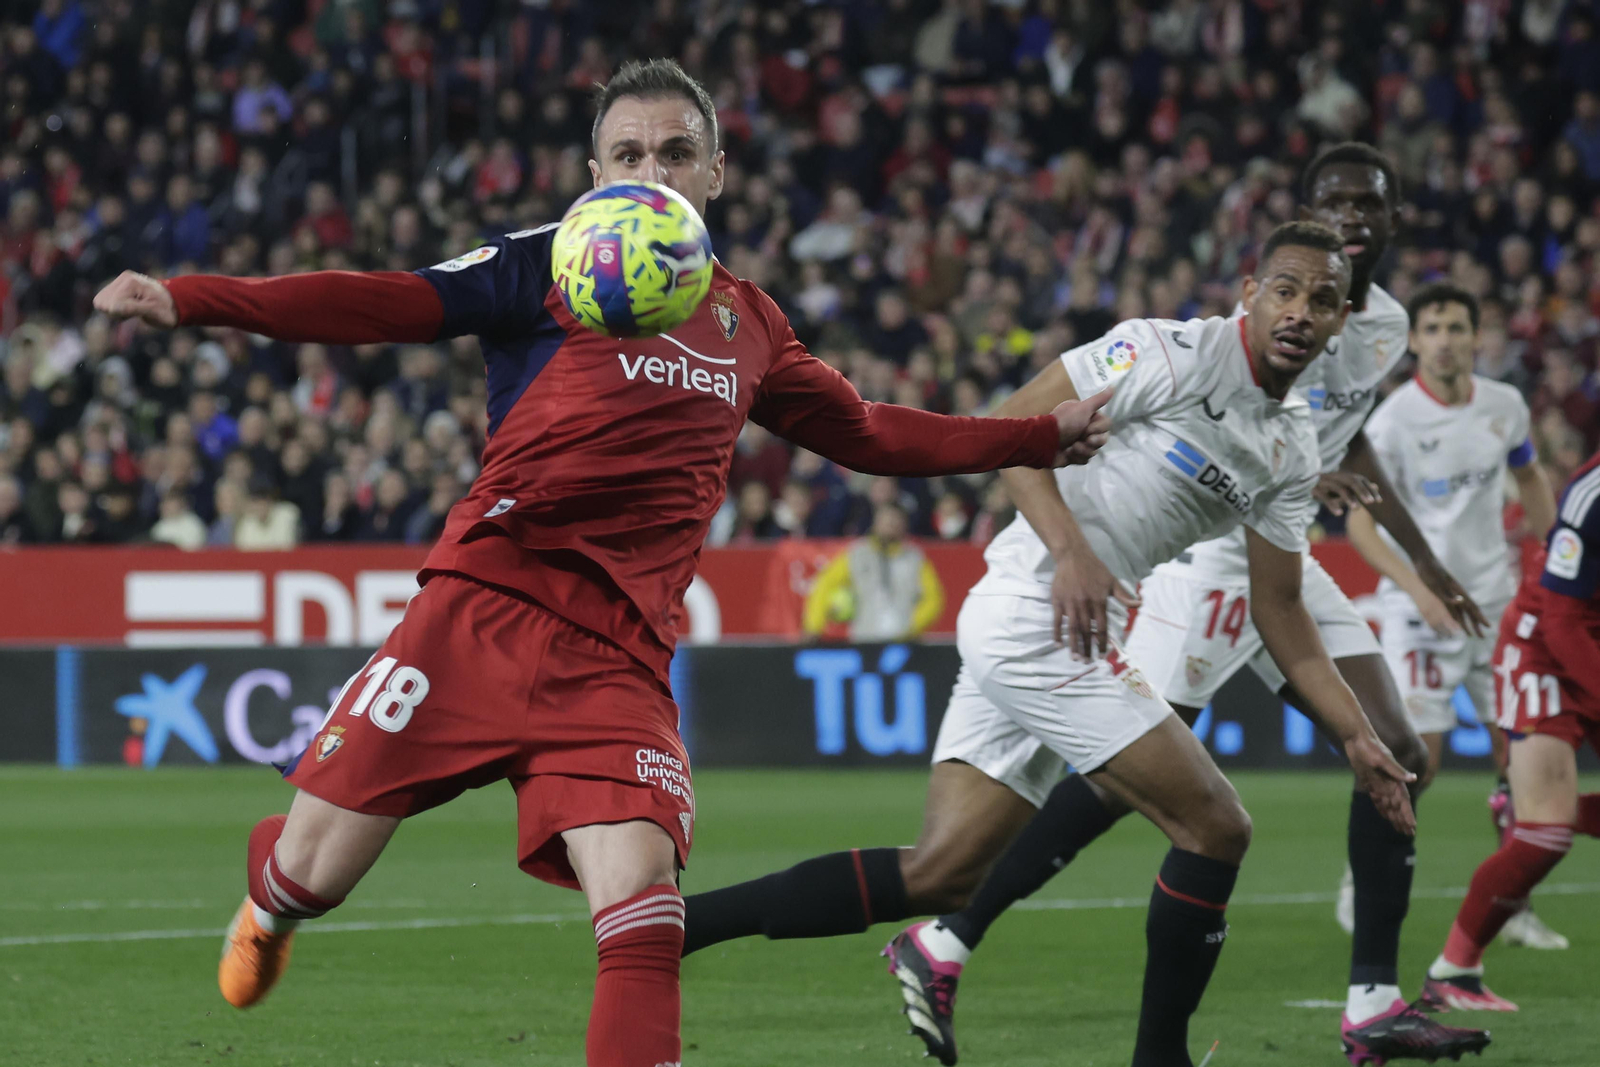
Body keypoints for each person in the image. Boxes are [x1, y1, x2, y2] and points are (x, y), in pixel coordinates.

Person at [91, 58, 1111, 1067]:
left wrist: (1030, 435)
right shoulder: (543, 264)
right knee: (316, 869)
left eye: (677, 152)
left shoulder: (746, 321)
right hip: (482, 608)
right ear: (594, 173)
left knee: (642, 903)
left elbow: (873, 432)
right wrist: (196, 299)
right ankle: (272, 894)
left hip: (617, 656)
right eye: (629, 153)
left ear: (715, 173)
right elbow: (387, 303)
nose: (653, 171)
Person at [682, 220, 1424, 1067]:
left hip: (1068, 622)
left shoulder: (1289, 446)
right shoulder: (1171, 353)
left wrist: (1357, 734)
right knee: (1216, 825)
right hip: (1036, 606)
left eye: (1322, 300)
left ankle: (679, 928)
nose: (1300, 310)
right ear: (1249, 295)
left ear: (1341, 323)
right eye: (1285, 290)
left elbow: (1283, 609)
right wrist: (1072, 550)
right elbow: (1012, 425)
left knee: (942, 874)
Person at [866, 144, 1493, 1067]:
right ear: (1302, 217)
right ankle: (947, 934)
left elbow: (1337, 447)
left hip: (1280, 549)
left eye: (1372, 204)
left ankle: (1371, 1004)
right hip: (1201, 553)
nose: (1354, 216)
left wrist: (1425, 558)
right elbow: (1228, 421)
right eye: (1336, 201)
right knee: (1147, 785)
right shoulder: (1259, 312)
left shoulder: (1383, 324)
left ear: (1394, 223)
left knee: (1395, 749)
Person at [1347, 282, 1564, 950]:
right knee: (1421, 760)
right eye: (1433, 327)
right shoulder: (1391, 424)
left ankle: (1513, 901)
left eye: (1457, 327)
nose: (1445, 339)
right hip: (1421, 610)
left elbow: (1527, 476)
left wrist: (1557, 561)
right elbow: (1360, 524)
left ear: (1477, 337)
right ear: (1413, 341)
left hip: (1494, 603)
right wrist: (1419, 591)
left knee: (1521, 754)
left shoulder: (1504, 406)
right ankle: (1363, 882)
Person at [1421, 450, 1600, 1011]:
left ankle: (1528, 809)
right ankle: (1453, 971)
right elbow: (1562, 618)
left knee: (1549, 820)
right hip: (1545, 650)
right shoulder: (1593, 492)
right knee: (1546, 835)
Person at [802, 501, 945, 641]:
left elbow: (933, 598)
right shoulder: (857, 554)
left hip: (904, 643)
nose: (890, 525)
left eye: (896, 521)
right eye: (886, 520)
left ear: (904, 526)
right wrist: (814, 627)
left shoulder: (915, 559)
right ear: (875, 522)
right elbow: (824, 585)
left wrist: (911, 627)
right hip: (865, 640)